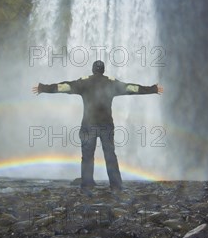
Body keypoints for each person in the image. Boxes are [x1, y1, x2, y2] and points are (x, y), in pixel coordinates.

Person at [32, 60, 163, 191]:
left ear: (93, 70)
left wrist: (43, 88)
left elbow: (64, 87)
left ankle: (87, 184)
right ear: (103, 70)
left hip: (89, 125)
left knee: (87, 155)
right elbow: (131, 88)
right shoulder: (111, 83)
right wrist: (153, 89)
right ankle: (116, 185)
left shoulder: (84, 82)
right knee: (110, 155)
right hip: (106, 126)